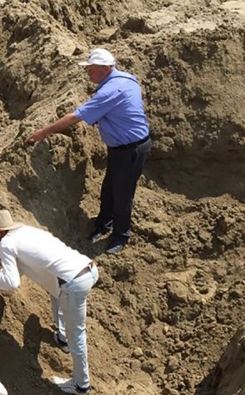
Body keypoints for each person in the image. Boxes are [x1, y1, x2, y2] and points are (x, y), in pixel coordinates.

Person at [27, 48, 152, 254]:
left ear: (104, 69)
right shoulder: (126, 78)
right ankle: (104, 223)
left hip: (131, 150)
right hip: (123, 147)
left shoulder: (111, 91)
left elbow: (76, 117)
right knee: (109, 188)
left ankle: (121, 235)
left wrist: (44, 132)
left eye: (91, 69)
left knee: (123, 194)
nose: (88, 73)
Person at [0, 210, 98, 395]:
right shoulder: (25, 232)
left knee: (76, 332)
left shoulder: (6, 243)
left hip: (75, 282)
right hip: (87, 268)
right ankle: (63, 339)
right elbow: (21, 268)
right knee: (56, 292)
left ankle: (81, 385)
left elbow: (12, 282)